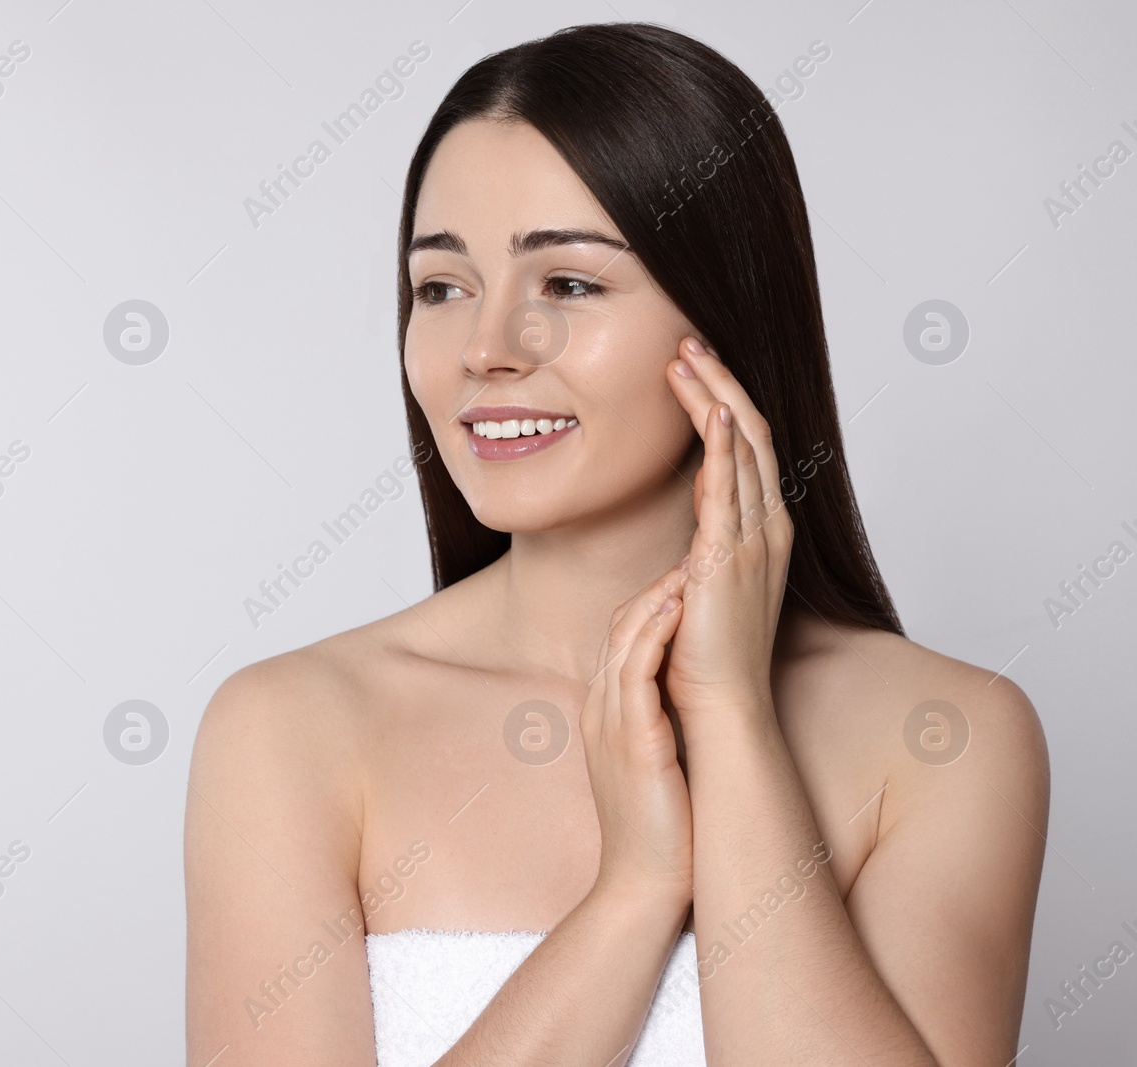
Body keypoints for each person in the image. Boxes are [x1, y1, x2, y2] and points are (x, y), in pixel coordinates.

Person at [185, 21, 1048, 1066]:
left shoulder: (946, 736)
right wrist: (635, 889)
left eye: (569, 284)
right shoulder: (291, 729)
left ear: (727, 316)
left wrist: (731, 725)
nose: (487, 350)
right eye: (441, 287)